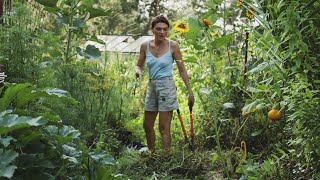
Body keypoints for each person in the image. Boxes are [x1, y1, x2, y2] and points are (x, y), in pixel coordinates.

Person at [135, 15, 195, 157]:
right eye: (158, 29)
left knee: (163, 127)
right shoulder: (145, 46)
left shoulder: (173, 46)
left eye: (165, 29)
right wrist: (137, 72)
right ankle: (152, 154)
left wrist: (190, 91)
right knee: (147, 125)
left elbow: (182, 70)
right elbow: (138, 65)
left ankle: (166, 158)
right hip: (152, 86)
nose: (162, 32)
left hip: (166, 86)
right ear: (152, 30)